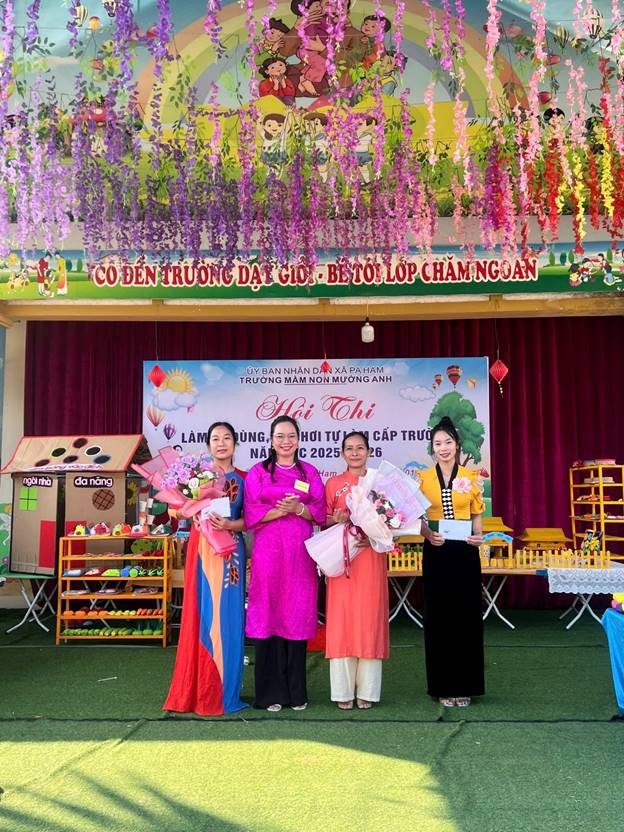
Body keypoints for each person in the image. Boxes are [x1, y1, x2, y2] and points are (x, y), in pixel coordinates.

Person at [163, 422, 248, 716]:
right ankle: (199, 687)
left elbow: (251, 520)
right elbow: (173, 508)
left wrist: (230, 524)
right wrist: (191, 512)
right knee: (201, 614)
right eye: (215, 438)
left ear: (235, 443)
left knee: (227, 617)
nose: (221, 443)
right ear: (208, 444)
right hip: (201, 550)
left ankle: (224, 691)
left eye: (227, 438)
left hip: (230, 553)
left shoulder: (245, 478)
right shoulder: (196, 475)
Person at [244, 415, 326, 711]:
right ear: (271, 440)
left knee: (296, 613)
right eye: (280, 436)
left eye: (291, 436)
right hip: (268, 555)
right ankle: (270, 694)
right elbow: (251, 513)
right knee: (269, 612)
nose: (286, 441)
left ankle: (295, 693)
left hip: (299, 557)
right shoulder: (258, 472)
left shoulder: (309, 472)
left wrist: (299, 508)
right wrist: (281, 511)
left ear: (299, 440)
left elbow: (320, 511)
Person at [418, 416, 485, 708]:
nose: (443, 448)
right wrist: (427, 534)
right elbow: (416, 516)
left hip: (464, 551)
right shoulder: (423, 479)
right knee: (439, 618)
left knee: (466, 616)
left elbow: (476, 513)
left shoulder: (470, 477)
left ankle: (466, 685)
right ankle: (443, 686)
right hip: (436, 550)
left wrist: (479, 535)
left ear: (457, 445)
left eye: (448, 442)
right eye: (437, 443)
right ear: (432, 448)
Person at [324, 431, 389, 710]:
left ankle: (368, 692)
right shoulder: (333, 484)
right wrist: (336, 519)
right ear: (342, 454)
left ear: (369, 451)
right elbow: (323, 519)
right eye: (349, 448)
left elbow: (394, 521)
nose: (354, 453)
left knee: (369, 620)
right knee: (342, 621)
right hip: (342, 560)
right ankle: (342, 692)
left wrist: (375, 536)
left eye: (360, 448)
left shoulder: (380, 483)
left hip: (371, 557)